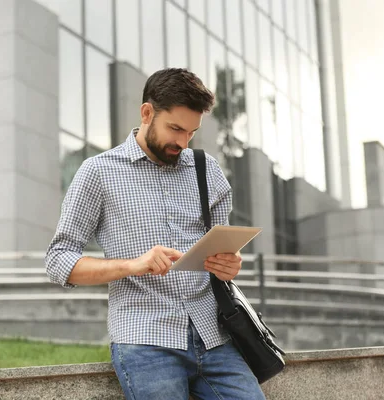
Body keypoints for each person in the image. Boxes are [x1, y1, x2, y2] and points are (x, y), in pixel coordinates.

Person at [45, 68, 265, 400]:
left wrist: (230, 266)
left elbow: (224, 254)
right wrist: (134, 265)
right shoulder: (98, 173)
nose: (182, 142)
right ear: (147, 113)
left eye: (191, 132)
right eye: (175, 128)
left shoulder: (208, 172)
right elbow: (58, 262)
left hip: (216, 336)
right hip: (146, 340)